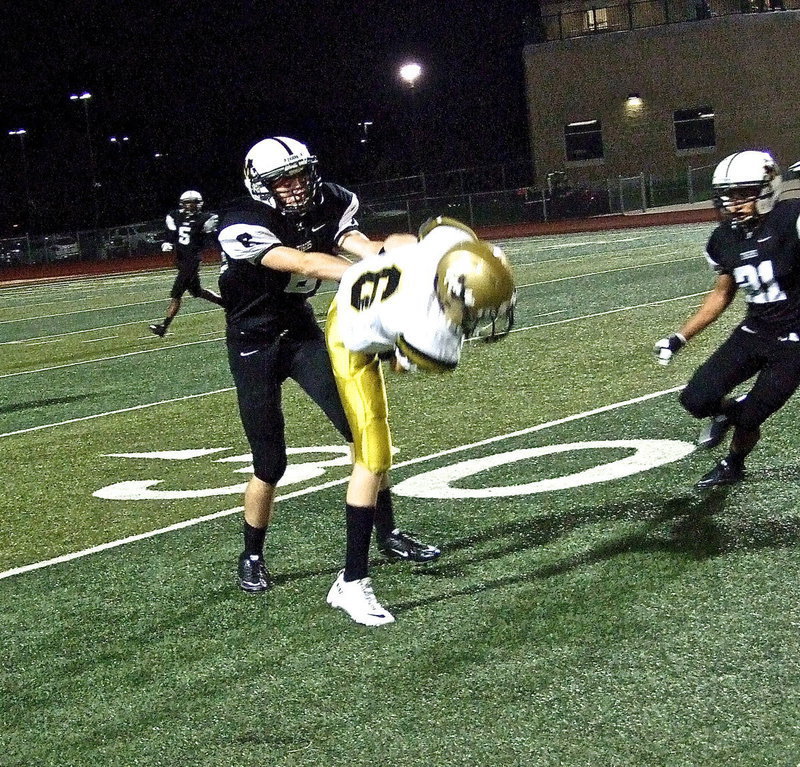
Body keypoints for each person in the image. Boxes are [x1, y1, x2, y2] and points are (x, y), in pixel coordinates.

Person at [217, 135, 440, 599]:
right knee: (269, 462)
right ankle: (252, 554)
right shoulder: (241, 220)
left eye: (299, 174)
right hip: (252, 344)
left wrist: (399, 258)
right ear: (259, 184)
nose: (295, 186)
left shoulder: (333, 199)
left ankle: (387, 533)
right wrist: (368, 273)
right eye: (282, 180)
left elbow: (358, 243)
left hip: (300, 334)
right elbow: (301, 262)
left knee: (363, 434)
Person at [325, 215, 516, 625]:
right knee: (373, 456)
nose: (480, 317)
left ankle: (388, 536)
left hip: (373, 293)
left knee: (379, 449)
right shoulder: (426, 329)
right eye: (476, 308)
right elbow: (411, 360)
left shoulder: (452, 244)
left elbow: (420, 233)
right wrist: (397, 351)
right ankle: (351, 582)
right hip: (348, 331)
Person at [654, 150, 800, 488]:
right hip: (754, 332)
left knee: (751, 416)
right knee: (695, 398)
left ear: (768, 188)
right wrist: (680, 336)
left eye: (743, 193)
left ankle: (733, 463)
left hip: (794, 343)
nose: (734, 203)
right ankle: (725, 412)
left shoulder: (791, 219)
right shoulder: (723, 239)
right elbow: (722, 294)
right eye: (728, 195)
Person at [149, 190, 224, 337]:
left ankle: (163, 327)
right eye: (187, 202)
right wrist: (168, 242)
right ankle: (227, 304)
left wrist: (222, 250)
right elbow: (172, 234)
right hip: (180, 259)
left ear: (199, 203)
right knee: (197, 292)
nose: (190, 205)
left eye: (193, 202)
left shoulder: (206, 218)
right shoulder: (175, 216)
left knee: (176, 295)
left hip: (191, 261)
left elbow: (213, 237)